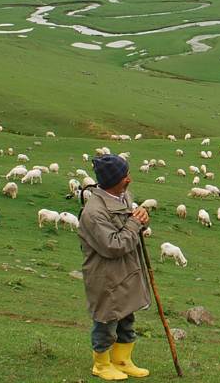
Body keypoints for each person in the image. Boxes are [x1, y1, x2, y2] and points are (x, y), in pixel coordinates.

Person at [78, 154, 152, 380]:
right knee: (106, 320)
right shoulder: (94, 213)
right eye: (124, 175)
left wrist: (143, 217)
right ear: (112, 180)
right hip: (106, 276)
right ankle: (101, 364)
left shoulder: (124, 197)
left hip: (126, 272)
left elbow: (135, 223)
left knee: (126, 317)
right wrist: (134, 222)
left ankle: (123, 361)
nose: (129, 179)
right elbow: (114, 245)